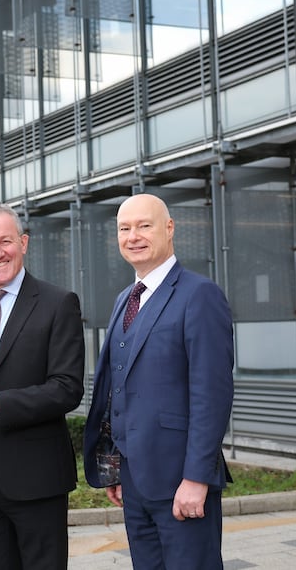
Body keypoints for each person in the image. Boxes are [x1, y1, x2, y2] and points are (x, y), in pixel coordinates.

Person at [83, 193, 234, 569]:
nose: (133, 236)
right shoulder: (124, 299)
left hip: (181, 481)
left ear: (169, 229)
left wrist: (197, 479)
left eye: (144, 225)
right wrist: (115, 467)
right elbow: (119, 390)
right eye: (124, 228)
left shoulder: (199, 295)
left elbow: (211, 396)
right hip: (135, 481)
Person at [0, 203, 85, 570]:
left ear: (23, 243)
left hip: (35, 475)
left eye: (6, 241)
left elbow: (67, 388)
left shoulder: (58, 303)